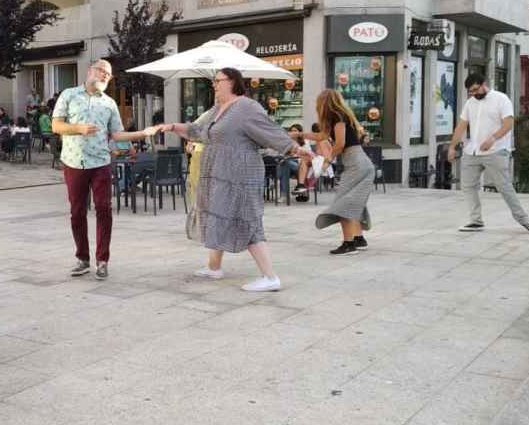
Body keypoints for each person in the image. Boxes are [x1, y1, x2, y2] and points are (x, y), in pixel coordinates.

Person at [162, 68, 308, 292]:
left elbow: (270, 131)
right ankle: (214, 267)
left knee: (246, 219)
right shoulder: (218, 109)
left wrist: (296, 149)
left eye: (217, 81)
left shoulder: (247, 107)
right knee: (217, 212)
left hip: (240, 174)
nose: (214, 85)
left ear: (232, 82)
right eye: (214, 81)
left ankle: (270, 277)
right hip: (219, 173)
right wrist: (171, 127)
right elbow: (197, 131)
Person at [52, 59, 162, 281]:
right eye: (102, 71)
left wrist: (143, 133)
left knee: (104, 209)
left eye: (108, 74)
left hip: (101, 163)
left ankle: (103, 261)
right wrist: (79, 128)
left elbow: (117, 135)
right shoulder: (69, 95)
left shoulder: (109, 103)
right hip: (74, 162)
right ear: (90, 70)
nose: (104, 76)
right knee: (77, 211)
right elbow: (56, 126)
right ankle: (83, 259)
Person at [448, 72, 529, 234]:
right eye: (471, 92)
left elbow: (509, 124)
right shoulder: (470, 103)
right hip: (473, 151)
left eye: (476, 90)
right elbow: (461, 126)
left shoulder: (501, 99)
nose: (474, 94)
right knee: (468, 186)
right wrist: (452, 147)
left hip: (496, 151)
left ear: (484, 84)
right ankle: (476, 221)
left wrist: (493, 139)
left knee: (504, 187)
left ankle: (524, 220)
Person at [300, 89, 375, 256]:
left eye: (319, 103)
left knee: (343, 203)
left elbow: (340, 144)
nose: (317, 106)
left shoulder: (339, 118)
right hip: (360, 163)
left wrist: (328, 160)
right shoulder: (340, 118)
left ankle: (348, 244)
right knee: (353, 201)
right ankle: (358, 239)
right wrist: (299, 134)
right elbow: (321, 136)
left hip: (356, 164)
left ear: (325, 103)